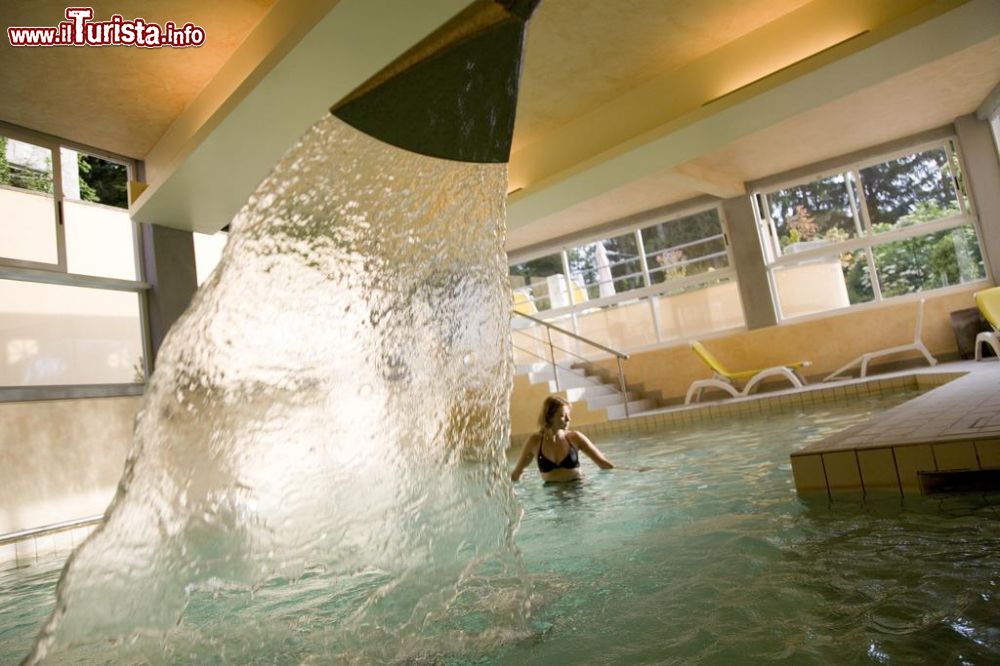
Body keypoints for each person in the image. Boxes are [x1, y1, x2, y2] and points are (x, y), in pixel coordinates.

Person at [511, 395, 614, 482]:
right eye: (563, 415)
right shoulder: (535, 442)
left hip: (578, 491)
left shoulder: (575, 438)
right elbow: (516, 474)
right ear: (550, 417)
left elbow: (604, 464)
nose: (568, 419)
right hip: (552, 499)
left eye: (568, 415)